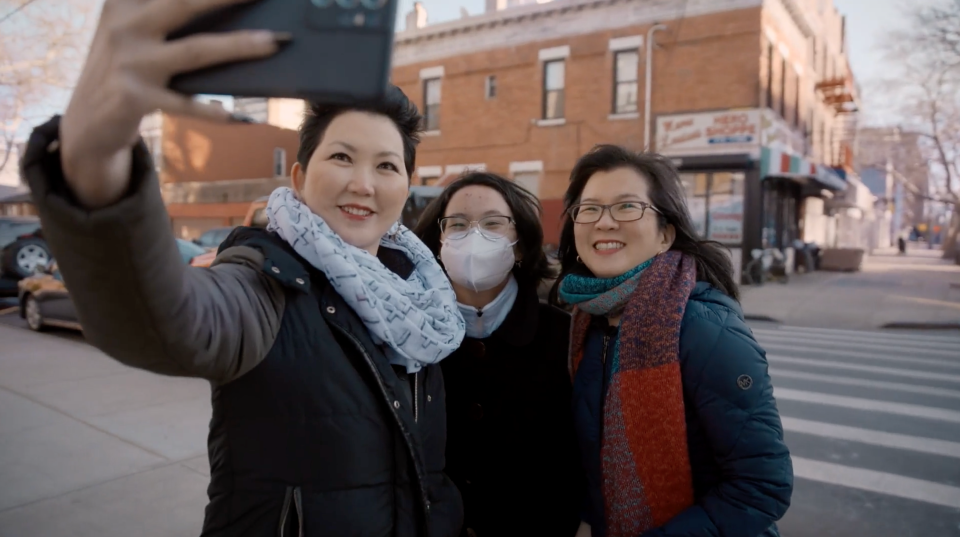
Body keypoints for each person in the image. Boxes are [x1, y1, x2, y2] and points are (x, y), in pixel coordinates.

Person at [21, 0, 466, 534]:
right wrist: (94, 167)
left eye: (387, 165)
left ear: (405, 189)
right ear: (299, 178)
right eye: (341, 157)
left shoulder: (425, 300)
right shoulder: (264, 280)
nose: (363, 184)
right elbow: (167, 321)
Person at [550, 145, 793, 537]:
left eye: (627, 207)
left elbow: (760, 487)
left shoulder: (704, 329)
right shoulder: (585, 321)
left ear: (665, 234)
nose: (604, 222)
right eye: (589, 208)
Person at [414, 172, 584, 537]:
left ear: (520, 245)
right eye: (457, 224)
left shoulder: (566, 336)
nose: (473, 236)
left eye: (493, 223)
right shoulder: (411, 336)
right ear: (439, 243)